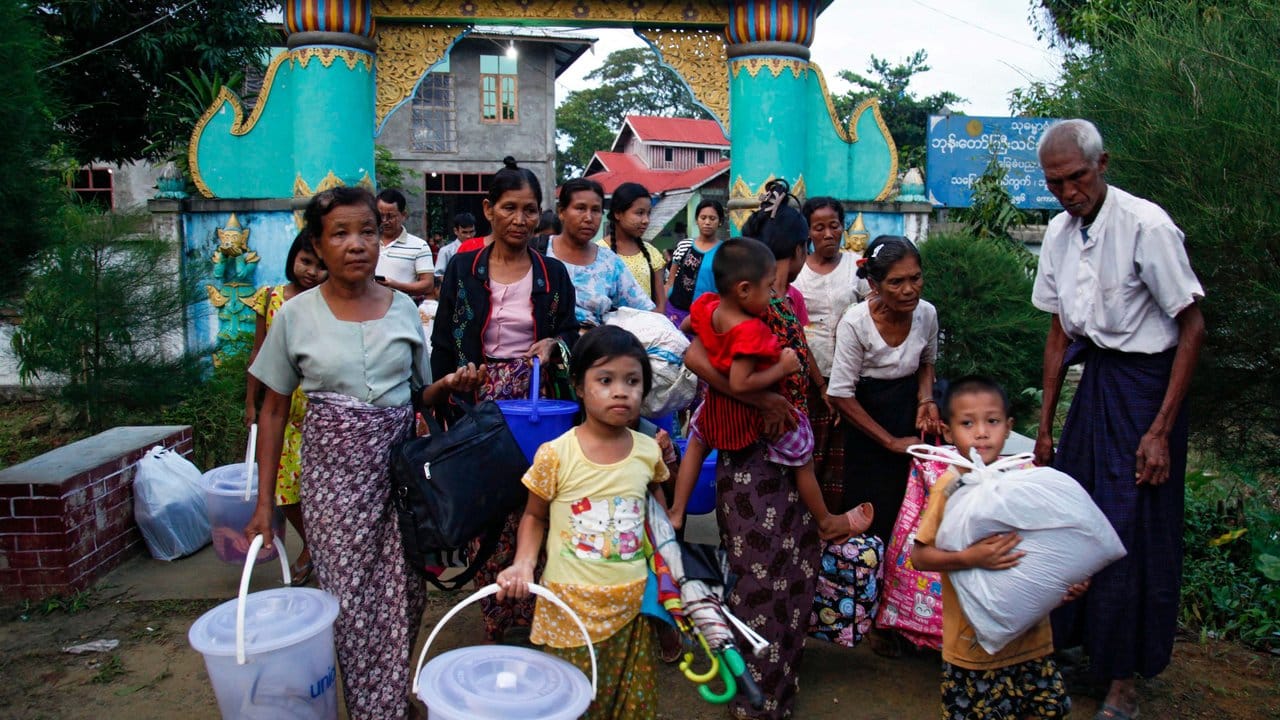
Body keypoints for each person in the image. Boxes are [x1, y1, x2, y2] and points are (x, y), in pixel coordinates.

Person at [244, 186, 484, 719]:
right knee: (350, 603)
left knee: (406, 593)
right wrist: (264, 505)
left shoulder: (405, 309)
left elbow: (417, 396)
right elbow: (274, 411)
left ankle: (394, 693)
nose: (357, 244)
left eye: (368, 231)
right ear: (317, 244)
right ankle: (377, 710)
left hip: (401, 483)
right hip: (332, 488)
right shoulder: (294, 315)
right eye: (341, 233)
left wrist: (445, 387)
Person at [1033, 119, 1205, 720]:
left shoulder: (1146, 225)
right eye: (1055, 183)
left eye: (1076, 177)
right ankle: (1079, 646)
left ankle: (1123, 681)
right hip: (1096, 387)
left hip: (1146, 392)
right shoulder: (1058, 233)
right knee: (1073, 518)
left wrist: (1158, 431)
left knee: (1133, 528)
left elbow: (1192, 326)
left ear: (1102, 164)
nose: (1067, 192)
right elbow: (1058, 332)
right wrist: (1047, 425)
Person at [675, 180, 823, 720]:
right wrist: (763, 392)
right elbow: (702, 362)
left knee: (782, 571)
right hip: (761, 461)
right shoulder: (768, 313)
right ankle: (757, 697)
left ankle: (771, 688)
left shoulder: (743, 305)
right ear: (797, 253)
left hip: (761, 456)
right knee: (766, 577)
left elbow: (694, 350)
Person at [432, 157, 579, 643]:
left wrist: (553, 346)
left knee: (535, 504)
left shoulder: (552, 272)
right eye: (510, 208)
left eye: (530, 210)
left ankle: (536, 617)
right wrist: (453, 386)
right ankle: (498, 620)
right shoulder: (462, 268)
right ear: (488, 210)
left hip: (537, 403)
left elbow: (571, 334)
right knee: (487, 510)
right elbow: (441, 344)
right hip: (478, 406)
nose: (521, 220)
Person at [497, 325, 669, 719]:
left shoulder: (648, 452)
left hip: (631, 607)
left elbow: (656, 509)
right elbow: (534, 515)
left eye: (633, 381)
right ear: (578, 385)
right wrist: (524, 562)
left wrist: (669, 563)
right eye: (605, 380)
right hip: (570, 607)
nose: (621, 391)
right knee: (571, 704)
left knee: (631, 706)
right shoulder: (556, 454)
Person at [912, 375, 1090, 720]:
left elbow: (1045, 547)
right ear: (948, 432)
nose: (981, 432)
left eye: (991, 421)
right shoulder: (950, 488)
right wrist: (970, 557)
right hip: (974, 646)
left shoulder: (1024, 479)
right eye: (967, 423)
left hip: (1032, 640)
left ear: (1008, 427)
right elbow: (920, 556)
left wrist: (1068, 580)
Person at [673, 237, 868, 542]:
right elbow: (740, 381)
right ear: (745, 290)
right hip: (749, 413)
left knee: (696, 442)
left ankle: (677, 509)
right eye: (769, 287)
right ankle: (825, 519)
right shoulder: (750, 331)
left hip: (715, 408)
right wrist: (783, 367)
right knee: (802, 455)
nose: (774, 294)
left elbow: (686, 327)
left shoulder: (707, 306)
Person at [826, 234, 941, 658]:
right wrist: (890, 441)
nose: (909, 289)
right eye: (896, 282)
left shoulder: (926, 314)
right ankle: (873, 618)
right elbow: (841, 394)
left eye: (915, 279)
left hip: (910, 415)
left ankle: (909, 613)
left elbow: (927, 361)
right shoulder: (856, 322)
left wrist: (927, 399)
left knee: (914, 523)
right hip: (868, 423)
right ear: (874, 285)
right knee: (875, 523)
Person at [243, 229, 328, 586]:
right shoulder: (272, 298)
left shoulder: (328, 301)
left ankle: (319, 549)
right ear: (293, 257)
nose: (311, 271)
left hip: (320, 410)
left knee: (317, 487)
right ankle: (312, 544)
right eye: (306, 261)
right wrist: (251, 402)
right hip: (282, 410)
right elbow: (258, 352)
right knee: (283, 487)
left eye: (320, 266)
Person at [792, 197, 866, 506]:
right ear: (808, 233)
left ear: (843, 228)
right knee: (811, 451)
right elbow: (795, 333)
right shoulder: (798, 272)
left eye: (834, 226)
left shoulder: (856, 265)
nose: (827, 234)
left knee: (845, 454)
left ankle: (841, 522)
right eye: (818, 228)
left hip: (851, 375)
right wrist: (822, 385)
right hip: (809, 377)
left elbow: (870, 312)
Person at [547, 178, 655, 327]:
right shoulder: (539, 252)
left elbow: (645, 311)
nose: (588, 218)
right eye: (580, 208)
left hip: (591, 345)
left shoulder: (609, 262)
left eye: (596, 210)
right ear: (561, 212)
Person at [599, 182, 666, 316]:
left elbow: (660, 303)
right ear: (618, 213)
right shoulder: (599, 252)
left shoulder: (651, 253)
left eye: (648, 214)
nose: (646, 220)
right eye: (640, 213)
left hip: (646, 329)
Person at [664, 199, 724, 329]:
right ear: (697, 220)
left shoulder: (724, 251)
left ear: (720, 222)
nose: (707, 222)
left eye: (712, 218)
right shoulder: (684, 245)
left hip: (706, 314)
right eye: (703, 218)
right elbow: (671, 278)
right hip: (676, 310)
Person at [375, 188, 434, 301]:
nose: (385, 221)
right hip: (369, 309)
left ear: (403, 215)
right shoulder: (368, 243)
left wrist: (395, 285)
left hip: (402, 310)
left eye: (390, 216)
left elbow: (428, 285)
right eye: (380, 216)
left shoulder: (419, 246)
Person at [433, 211, 476, 286]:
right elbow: (439, 275)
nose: (469, 236)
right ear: (456, 231)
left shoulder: (481, 248)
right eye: (465, 232)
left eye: (471, 232)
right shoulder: (446, 251)